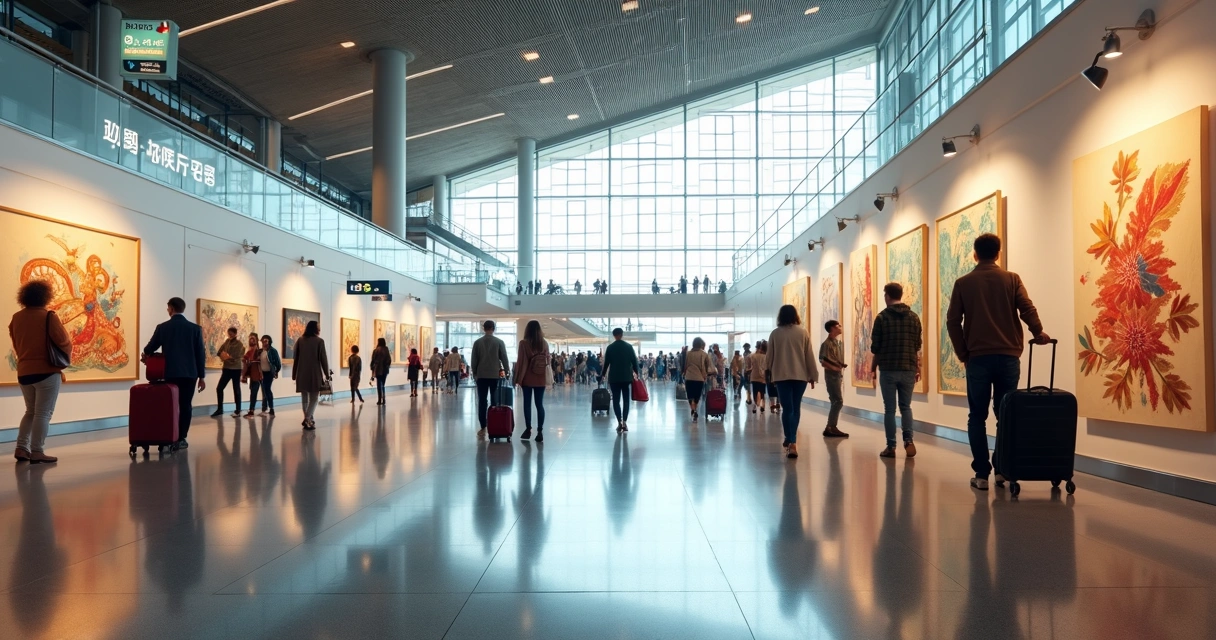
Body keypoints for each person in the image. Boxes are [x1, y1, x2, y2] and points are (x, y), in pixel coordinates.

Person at [947, 233, 1049, 491]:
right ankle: (1002, 470)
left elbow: (952, 321)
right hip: (1008, 357)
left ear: (974, 254)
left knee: (976, 417)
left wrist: (963, 353)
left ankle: (981, 474)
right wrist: (1038, 332)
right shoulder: (1011, 279)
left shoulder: (963, 283)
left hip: (978, 358)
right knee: (1005, 415)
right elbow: (1026, 307)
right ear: (998, 253)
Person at [9, 280, 73, 463]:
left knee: (30, 411)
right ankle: (37, 451)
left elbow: (17, 345)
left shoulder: (16, 317)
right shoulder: (48, 317)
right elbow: (63, 341)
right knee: (43, 413)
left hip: (24, 372)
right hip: (46, 372)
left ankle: (21, 448)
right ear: (45, 296)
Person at [142, 297, 206, 449]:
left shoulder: (163, 327)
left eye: (168, 308)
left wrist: (148, 356)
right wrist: (201, 377)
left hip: (169, 373)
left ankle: (168, 437)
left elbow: (149, 348)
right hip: (190, 374)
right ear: (183, 309)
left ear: (171, 309)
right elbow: (200, 355)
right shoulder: (195, 329)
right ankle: (182, 438)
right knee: (185, 406)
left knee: (169, 406)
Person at [872, 282, 923, 459]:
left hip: (888, 368)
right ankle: (908, 440)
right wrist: (917, 367)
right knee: (906, 406)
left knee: (889, 409)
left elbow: (875, 347)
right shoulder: (914, 317)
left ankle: (891, 446)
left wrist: (872, 367)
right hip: (908, 367)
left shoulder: (882, 318)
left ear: (887, 295)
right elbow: (917, 345)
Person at [767, 304, 821, 459]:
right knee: (796, 408)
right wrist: (812, 375)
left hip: (782, 376)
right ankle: (792, 441)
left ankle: (790, 440)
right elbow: (808, 355)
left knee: (787, 408)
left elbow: (769, 356)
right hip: (800, 376)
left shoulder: (775, 334)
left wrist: (768, 373)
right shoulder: (803, 333)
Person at [471, 320, 511, 436]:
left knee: (482, 400)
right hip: (494, 375)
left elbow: (474, 360)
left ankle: (483, 424)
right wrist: (507, 371)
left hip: (481, 375)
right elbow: (504, 358)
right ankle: (494, 423)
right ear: (494, 328)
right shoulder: (499, 342)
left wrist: (475, 373)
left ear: (484, 328)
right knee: (494, 400)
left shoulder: (477, 343)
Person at [513, 320, 550, 442]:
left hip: (527, 378)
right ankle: (540, 431)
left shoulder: (524, 343)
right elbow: (548, 361)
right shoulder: (544, 343)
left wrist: (518, 378)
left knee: (527, 404)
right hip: (540, 378)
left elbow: (521, 362)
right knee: (539, 404)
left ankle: (528, 429)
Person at [292, 320, 330, 430]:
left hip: (302, 372)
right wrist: (327, 373)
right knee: (314, 398)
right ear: (315, 329)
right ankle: (308, 418)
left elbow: (296, 358)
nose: (319, 329)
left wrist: (294, 374)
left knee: (304, 397)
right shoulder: (319, 341)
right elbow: (323, 359)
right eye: (318, 327)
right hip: (314, 373)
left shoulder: (300, 340)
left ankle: (308, 419)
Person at [600, 328, 640, 432]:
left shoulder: (610, 348)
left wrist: (603, 375)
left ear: (614, 335)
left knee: (616, 401)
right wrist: (637, 373)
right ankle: (625, 423)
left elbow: (606, 364)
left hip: (614, 378)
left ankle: (619, 422)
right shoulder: (629, 347)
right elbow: (634, 362)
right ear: (622, 334)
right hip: (626, 378)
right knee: (626, 400)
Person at [818, 321, 849, 438]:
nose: (840, 327)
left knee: (836, 401)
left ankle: (831, 426)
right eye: (838, 326)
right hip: (831, 376)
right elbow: (823, 360)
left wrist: (840, 365)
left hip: (837, 375)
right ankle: (831, 427)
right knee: (837, 401)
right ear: (832, 328)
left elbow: (833, 358)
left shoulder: (838, 343)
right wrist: (834, 368)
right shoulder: (826, 344)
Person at [212, 326, 245, 417]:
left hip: (236, 369)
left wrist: (228, 357)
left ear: (235, 334)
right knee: (219, 388)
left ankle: (238, 410)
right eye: (229, 333)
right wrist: (224, 356)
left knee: (236, 389)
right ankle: (220, 409)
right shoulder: (227, 342)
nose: (230, 335)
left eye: (231, 334)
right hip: (227, 368)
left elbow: (237, 355)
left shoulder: (239, 344)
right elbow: (219, 352)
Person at [682, 338, 716, 422]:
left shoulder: (688, 353)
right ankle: (695, 410)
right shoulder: (704, 354)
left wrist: (684, 373)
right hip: (699, 378)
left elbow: (685, 365)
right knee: (697, 396)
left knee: (690, 395)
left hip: (689, 377)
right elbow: (709, 366)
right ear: (701, 345)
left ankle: (693, 410)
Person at [257, 335, 281, 416]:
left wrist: (276, 371)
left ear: (269, 342)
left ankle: (271, 408)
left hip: (269, 373)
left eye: (266, 341)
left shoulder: (273, 351)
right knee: (264, 390)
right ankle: (265, 408)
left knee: (267, 389)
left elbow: (277, 362)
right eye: (263, 341)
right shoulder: (260, 351)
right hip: (262, 373)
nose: (264, 343)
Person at [241, 332, 263, 418]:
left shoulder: (259, 351)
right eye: (250, 338)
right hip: (253, 376)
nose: (251, 340)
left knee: (258, 392)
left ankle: (262, 410)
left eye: (253, 338)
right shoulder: (249, 351)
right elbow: (245, 362)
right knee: (253, 392)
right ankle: (251, 410)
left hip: (258, 375)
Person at [370, 337, 392, 405]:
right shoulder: (386, 349)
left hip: (378, 369)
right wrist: (387, 365)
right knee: (383, 384)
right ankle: (384, 399)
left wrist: (372, 368)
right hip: (385, 369)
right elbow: (389, 360)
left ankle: (379, 399)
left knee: (379, 385)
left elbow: (373, 360)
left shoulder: (376, 350)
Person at [748, 342, 768, 413]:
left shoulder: (752, 356)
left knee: (755, 391)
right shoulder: (765, 356)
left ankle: (755, 406)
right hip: (763, 376)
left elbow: (750, 366)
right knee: (762, 391)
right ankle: (763, 405)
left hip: (754, 376)